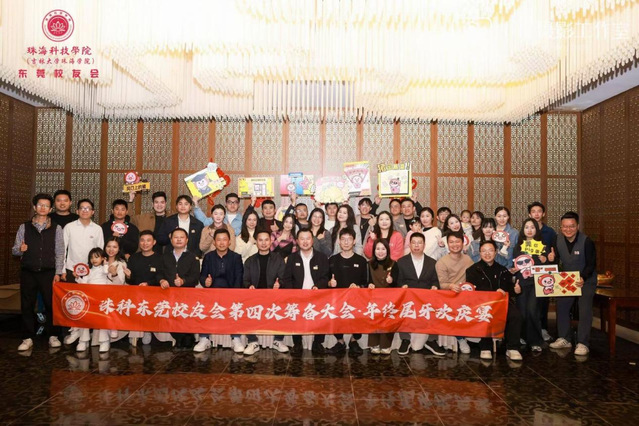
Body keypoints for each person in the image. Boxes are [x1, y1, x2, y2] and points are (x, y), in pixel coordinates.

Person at [12, 193, 65, 351]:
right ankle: (27, 338)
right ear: (35, 207)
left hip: (48, 272)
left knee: (51, 304)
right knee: (27, 305)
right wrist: (20, 249)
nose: (43, 208)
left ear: (50, 209)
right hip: (28, 271)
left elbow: (60, 252)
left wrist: (58, 272)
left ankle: (53, 335)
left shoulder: (56, 228)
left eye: (46, 205)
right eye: (40, 205)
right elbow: (15, 250)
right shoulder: (24, 227)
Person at [465, 240, 523, 361]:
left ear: (496, 252)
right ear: (479, 253)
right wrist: (493, 294)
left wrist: (516, 290)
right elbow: (471, 292)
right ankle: (485, 347)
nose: (487, 254)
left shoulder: (502, 270)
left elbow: (509, 289)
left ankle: (512, 348)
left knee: (515, 315)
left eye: (490, 250)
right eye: (484, 251)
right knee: (485, 314)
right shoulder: (472, 270)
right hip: (482, 304)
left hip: (501, 303)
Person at [549, 211, 596, 356]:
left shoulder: (587, 241)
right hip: (567, 279)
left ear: (577, 226)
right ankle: (564, 338)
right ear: (561, 227)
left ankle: (583, 343)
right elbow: (556, 260)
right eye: (565, 226)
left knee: (584, 309)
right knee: (562, 305)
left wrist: (583, 277)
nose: (568, 229)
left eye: (571, 226)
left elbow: (591, 264)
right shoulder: (557, 240)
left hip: (586, 280)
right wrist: (551, 258)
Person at [282, 228, 330, 355]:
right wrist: (293, 293)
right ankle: (297, 343)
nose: (305, 242)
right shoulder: (292, 258)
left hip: (317, 295)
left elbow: (325, 277)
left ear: (312, 240)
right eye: (302, 239)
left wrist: (318, 287)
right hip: (298, 296)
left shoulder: (321, 257)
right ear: (297, 241)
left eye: (308, 238)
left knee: (321, 317)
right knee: (296, 317)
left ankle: (318, 343)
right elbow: (287, 279)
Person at [396, 233, 446, 356]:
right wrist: (402, 286)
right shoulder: (401, 262)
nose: (417, 245)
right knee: (402, 307)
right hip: (408, 298)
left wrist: (435, 286)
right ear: (409, 244)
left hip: (426, 299)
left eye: (419, 243)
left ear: (424, 245)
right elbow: (398, 281)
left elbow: (435, 280)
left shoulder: (432, 262)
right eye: (414, 242)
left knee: (436, 306)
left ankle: (432, 340)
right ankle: (405, 339)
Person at [198, 228, 245, 353]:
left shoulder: (236, 257)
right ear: (214, 242)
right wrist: (205, 282)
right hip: (212, 293)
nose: (222, 242)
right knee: (204, 306)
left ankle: (236, 339)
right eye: (218, 240)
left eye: (225, 239)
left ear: (229, 242)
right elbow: (202, 276)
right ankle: (204, 338)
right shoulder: (208, 257)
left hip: (231, 293)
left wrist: (234, 294)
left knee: (235, 308)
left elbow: (239, 277)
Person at [242, 230, 288, 354]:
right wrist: (249, 286)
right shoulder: (250, 261)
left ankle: (278, 341)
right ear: (256, 242)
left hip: (274, 296)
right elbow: (245, 280)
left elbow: (283, 278)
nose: (263, 243)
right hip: (255, 297)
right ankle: (253, 342)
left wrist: (279, 284)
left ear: (271, 241)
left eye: (266, 240)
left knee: (284, 307)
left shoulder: (278, 259)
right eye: (260, 240)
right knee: (246, 308)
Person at [74, 247, 125, 353]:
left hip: (102, 299)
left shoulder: (105, 269)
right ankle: (83, 341)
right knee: (85, 318)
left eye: (97, 257)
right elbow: (84, 284)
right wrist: (78, 277)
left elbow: (107, 272)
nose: (94, 260)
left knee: (102, 320)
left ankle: (104, 341)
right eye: (92, 258)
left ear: (102, 258)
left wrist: (105, 264)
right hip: (90, 299)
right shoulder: (88, 271)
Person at [327, 228, 368, 356]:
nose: (346, 242)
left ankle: (354, 340)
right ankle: (340, 341)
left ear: (354, 241)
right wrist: (330, 283)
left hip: (356, 300)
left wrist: (358, 287)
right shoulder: (332, 260)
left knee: (359, 317)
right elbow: (325, 281)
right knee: (335, 317)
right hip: (336, 300)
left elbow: (366, 282)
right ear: (339, 241)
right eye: (343, 239)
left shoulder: (361, 261)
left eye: (349, 239)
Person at [157, 228, 201, 348]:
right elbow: (159, 273)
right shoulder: (165, 256)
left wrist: (183, 281)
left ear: (187, 240)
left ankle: (187, 338)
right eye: (176, 237)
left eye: (182, 237)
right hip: (169, 294)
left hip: (187, 294)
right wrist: (162, 280)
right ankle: (178, 338)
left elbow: (195, 278)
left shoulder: (193, 257)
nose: (179, 240)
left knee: (186, 316)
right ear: (171, 240)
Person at [512, 219, 549, 353]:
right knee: (522, 312)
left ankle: (535, 341)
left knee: (532, 310)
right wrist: (513, 271)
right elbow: (514, 264)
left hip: (536, 283)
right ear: (523, 230)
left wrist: (545, 260)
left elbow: (549, 267)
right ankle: (523, 336)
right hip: (521, 282)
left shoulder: (542, 247)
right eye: (526, 227)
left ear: (536, 230)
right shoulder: (518, 247)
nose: (529, 230)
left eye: (532, 227)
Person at [435, 231, 475, 354]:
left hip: (467, 294)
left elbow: (474, 278)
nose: (455, 244)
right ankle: (461, 338)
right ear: (447, 244)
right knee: (456, 308)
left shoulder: (468, 259)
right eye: (451, 242)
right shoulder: (442, 262)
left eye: (457, 241)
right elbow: (441, 284)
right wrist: (451, 286)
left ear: (463, 243)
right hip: (449, 296)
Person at [124, 230, 163, 346]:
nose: (145, 243)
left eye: (148, 240)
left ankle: (147, 330)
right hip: (136, 293)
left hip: (154, 293)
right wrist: (128, 276)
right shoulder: (133, 258)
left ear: (154, 242)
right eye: (142, 240)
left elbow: (161, 277)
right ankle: (134, 332)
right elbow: (130, 281)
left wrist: (148, 284)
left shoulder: (160, 258)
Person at [528, 201, 557, 342]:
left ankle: (543, 328)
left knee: (543, 301)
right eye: (533, 211)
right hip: (528, 272)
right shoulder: (527, 230)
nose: (536, 214)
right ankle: (530, 331)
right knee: (530, 303)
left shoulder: (550, 232)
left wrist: (552, 257)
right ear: (529, 214)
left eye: (539, 211)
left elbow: (554, 251)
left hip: (544, 271)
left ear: (543, 214)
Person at [367, 239, 398, 355]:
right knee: (374, 319)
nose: (380, 252)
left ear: (387, 250)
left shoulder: (393, 264)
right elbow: (366, 281)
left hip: (389, 300)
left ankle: (386, 345)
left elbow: (397, 283)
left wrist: (392, 281)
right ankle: (374, 344)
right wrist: (369, 284)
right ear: (374, 251)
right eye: (378, 249)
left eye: (383, 249)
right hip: (373, 299)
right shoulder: (369, 264)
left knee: (387, 321)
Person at [62, 199, 104, 283]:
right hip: (71, 269)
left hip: (91, 270)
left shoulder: (97, 229)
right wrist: (63, 270)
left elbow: (100, 251)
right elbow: (62, 250)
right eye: (82, 208)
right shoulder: (69, 227)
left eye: (88, 208)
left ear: (93, 212)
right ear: (77, 211)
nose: (85, 210)